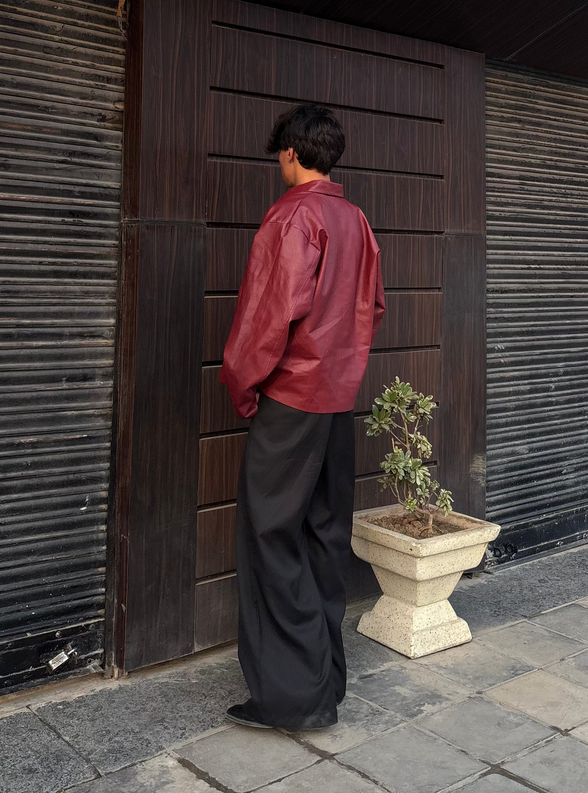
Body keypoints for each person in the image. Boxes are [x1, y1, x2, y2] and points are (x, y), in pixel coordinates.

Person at [219, 102, 385, 731]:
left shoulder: (292, 216)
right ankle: (326, 680)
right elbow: (372, 308)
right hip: (336, 401)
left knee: (271, 537)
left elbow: (267, 316)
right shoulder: (356, 219)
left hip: (290, 399)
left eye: (279, 154)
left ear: (290, 151)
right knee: (324, 535)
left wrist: (242, 385)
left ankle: (293, 699)